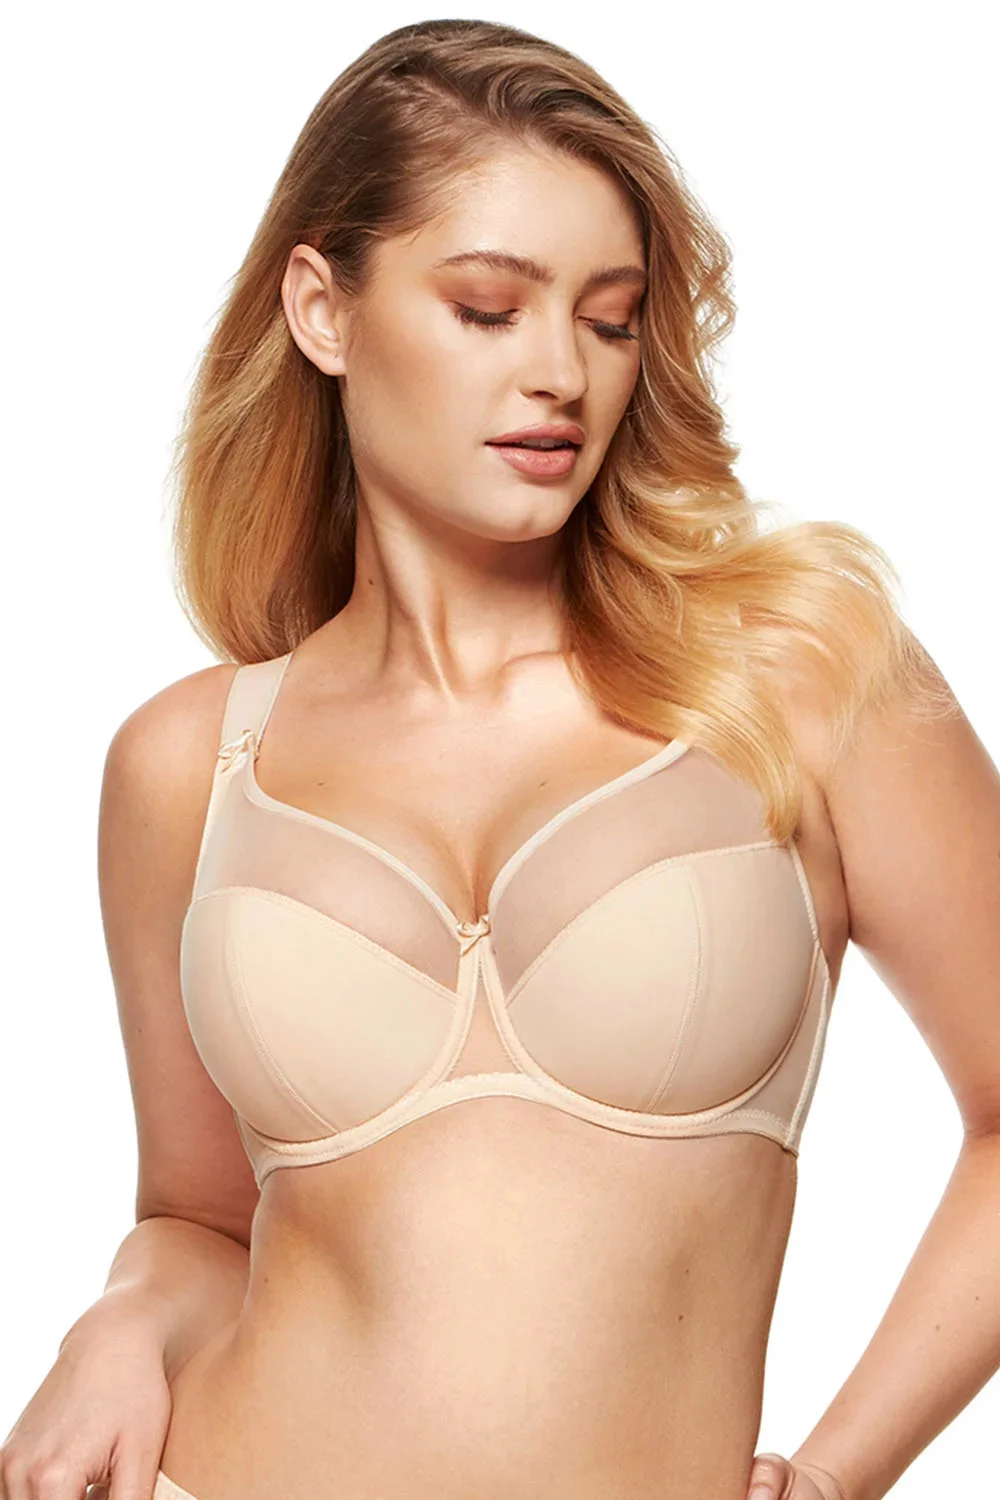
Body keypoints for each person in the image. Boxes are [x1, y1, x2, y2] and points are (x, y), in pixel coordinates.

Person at [3, 17, 999, 1500]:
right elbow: (200, 1225)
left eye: (609, 320)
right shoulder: (186, 761)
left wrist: (838, 1475)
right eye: (488, 308)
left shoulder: (801, 674)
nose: (561, 374)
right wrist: (120, 1320)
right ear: (322, 311)